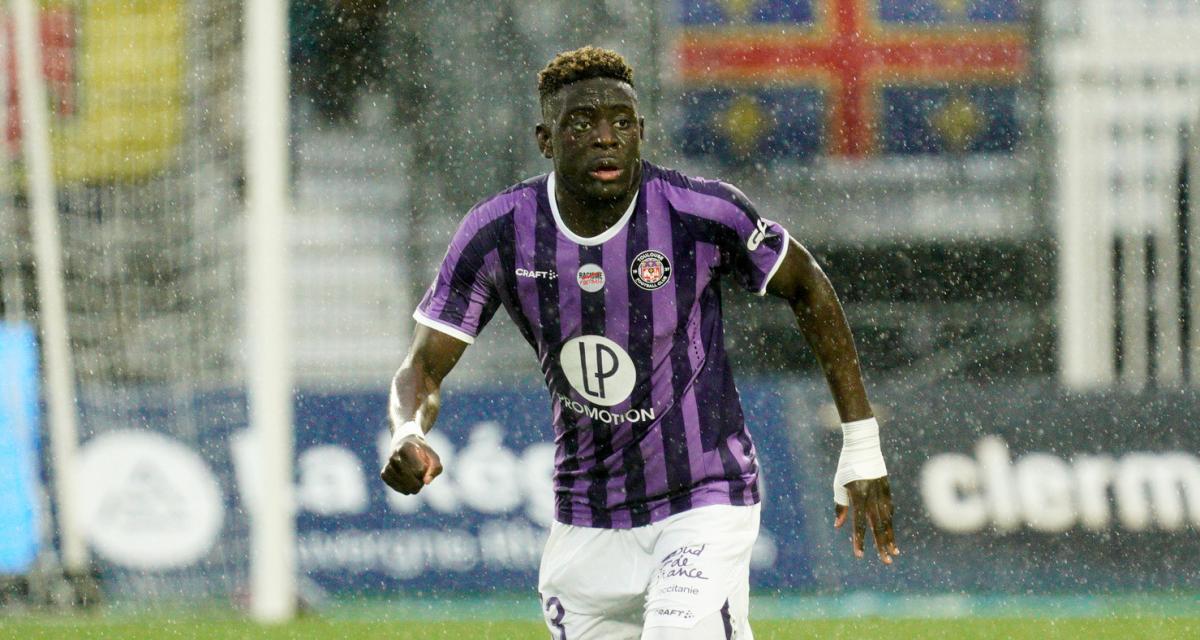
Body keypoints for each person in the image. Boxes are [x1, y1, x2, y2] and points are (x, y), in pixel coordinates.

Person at [380, 46, 897, 640]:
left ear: (641, 132)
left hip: (703, 500)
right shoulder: (499, 232)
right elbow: (424, 366)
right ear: (546, 140)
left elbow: (807, 284)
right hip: (586, 524)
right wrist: (407, 430)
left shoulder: (700, 211)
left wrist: (861, 444)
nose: (606, 138)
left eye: (621, 123)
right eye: (582, 124)